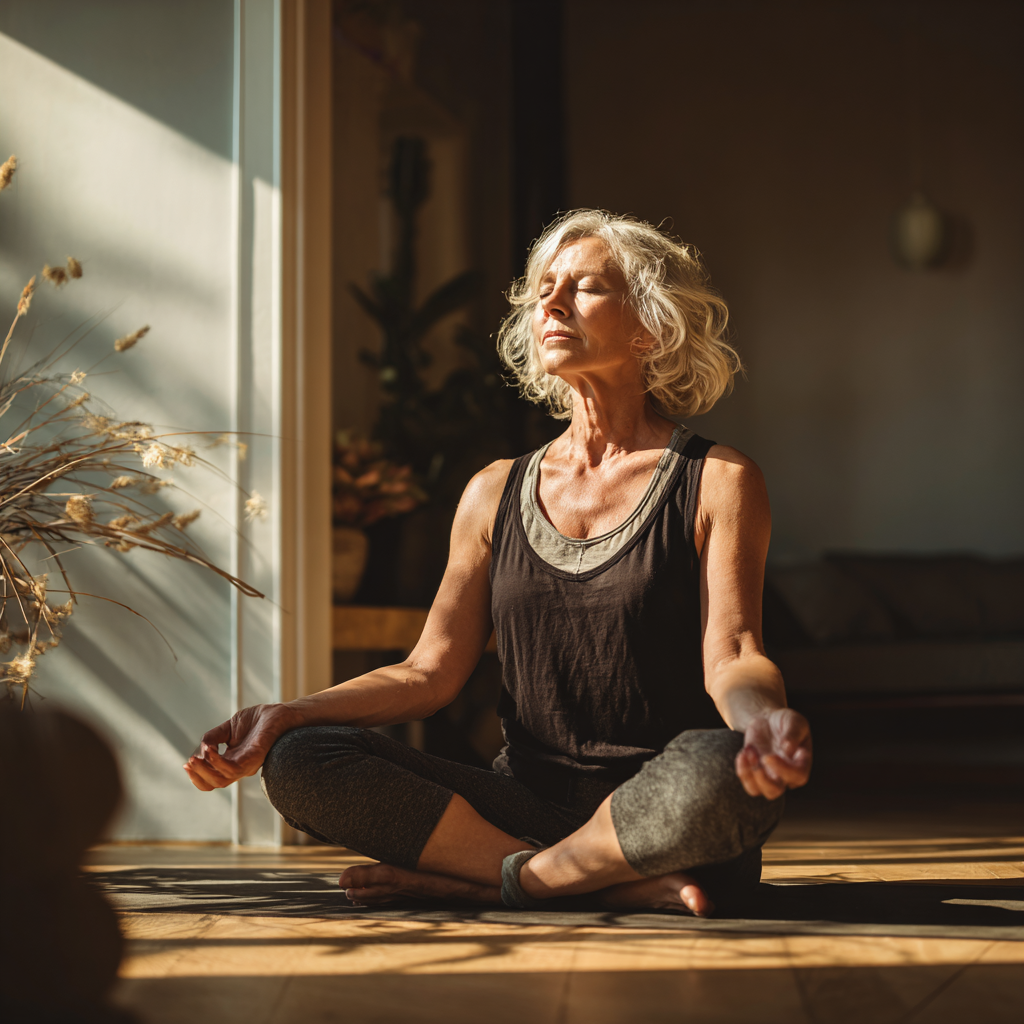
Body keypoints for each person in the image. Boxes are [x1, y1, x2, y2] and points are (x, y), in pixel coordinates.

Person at [185, 209, 812, 917]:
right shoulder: (493, 490)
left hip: (656, 814)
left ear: (650, 327)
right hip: (521, 804)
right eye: (545, 286)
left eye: (585, 287)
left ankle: (499, 880)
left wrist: (761, 721)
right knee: (302, 757)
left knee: (724, 771)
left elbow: (734, 652)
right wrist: (288, 712)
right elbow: (429, 672)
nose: (551, 301)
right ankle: (562, 878)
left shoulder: (718, 480)